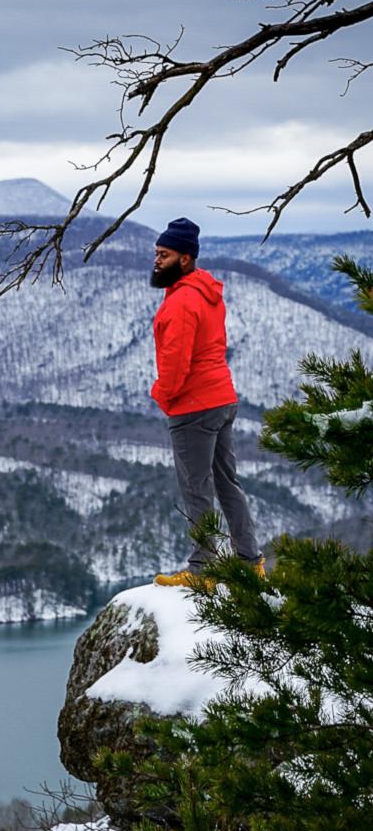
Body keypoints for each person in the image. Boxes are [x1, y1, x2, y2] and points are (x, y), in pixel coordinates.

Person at [149, 217, 264, 586]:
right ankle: (250, 560)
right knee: (227, 482)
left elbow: (177, 361)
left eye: (163, 255)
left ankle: (203, 570)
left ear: (185, 259)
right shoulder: (206, 292)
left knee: (196, 488)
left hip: (193, 405)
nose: (156, 261)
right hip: (221, 398)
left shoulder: (182, 300)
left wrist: (163, 396)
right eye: (156, 253)